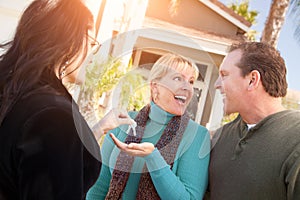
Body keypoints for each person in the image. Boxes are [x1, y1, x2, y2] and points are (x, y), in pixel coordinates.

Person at [0, 0, 133, 199]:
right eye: (92, 43)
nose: (92, 54)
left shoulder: (16, 92)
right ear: (71, 39)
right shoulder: (55, 115)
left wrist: (97, 128)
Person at [87, 53, 211, 200]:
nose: (187, 88)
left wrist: (153, 157)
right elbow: (99, 187)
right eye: (178, 78)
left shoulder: (197, 135)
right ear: (155, 86)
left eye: (191, 82)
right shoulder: (123, 122)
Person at [207, 42, 300, 199]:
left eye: (224, 75)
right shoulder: (220, 137)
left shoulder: (295, 139)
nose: (217, 85)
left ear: (252, 80)